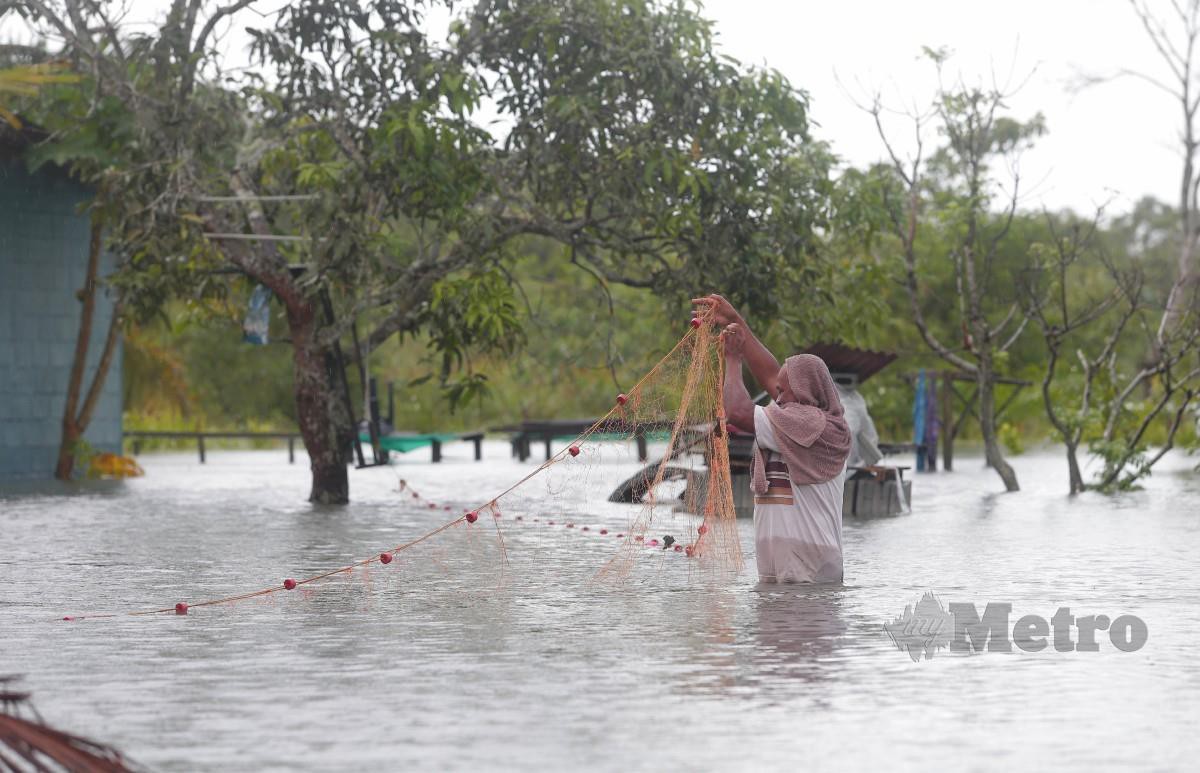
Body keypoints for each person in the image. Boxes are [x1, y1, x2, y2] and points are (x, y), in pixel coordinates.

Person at [692, 294, 851, 584]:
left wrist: (733, 359)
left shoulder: (814, 427)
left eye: (783, 392)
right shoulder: (796, 419)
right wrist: (736, 322)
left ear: (805, 393)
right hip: (787, 568)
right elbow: (770, 375)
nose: (776, 399)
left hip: (808, 570)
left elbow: (737, 412)